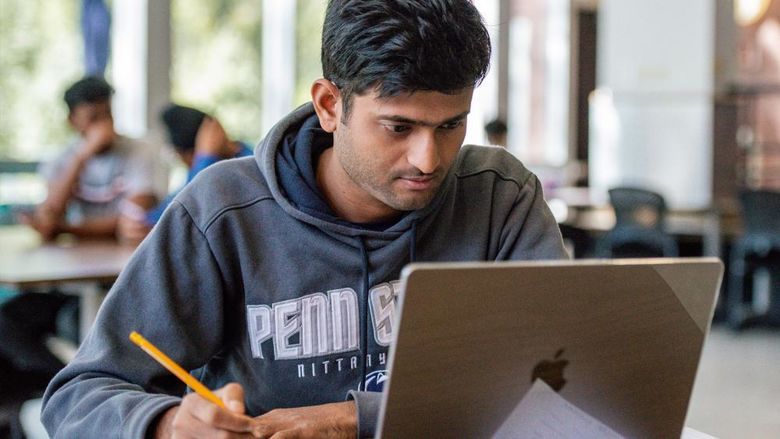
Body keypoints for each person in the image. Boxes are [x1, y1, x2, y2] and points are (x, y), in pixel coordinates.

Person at [41, 1, 567, 438]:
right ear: (329, 105)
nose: (428, 159)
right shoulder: (224, 210)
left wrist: (352, 419)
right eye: (398, 127)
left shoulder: (499, 196)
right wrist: (166, 424)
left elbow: (561, 378)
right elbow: (77, 397)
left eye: (452, 125)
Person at [23, 76, 168, 241]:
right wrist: (82, 158)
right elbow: (50, 214)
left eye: (108, 115)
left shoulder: (140, 150)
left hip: (123, 254)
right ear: (72, 121)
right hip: (78, 257)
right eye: (93, 118)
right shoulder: (60, 159)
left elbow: (133, 222)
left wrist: (63, 228)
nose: (104, 125)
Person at [117, 104, 253, 242]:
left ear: (186, 154)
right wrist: (135, 224)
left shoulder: (246, 167)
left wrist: (205, 158)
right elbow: (157, 217)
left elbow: (180, 213)